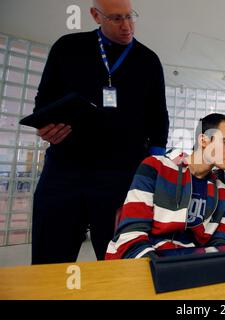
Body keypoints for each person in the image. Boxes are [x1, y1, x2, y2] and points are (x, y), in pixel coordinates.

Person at [32, 0, 169, 264]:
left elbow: (158, 118)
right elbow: (44, 101)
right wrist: (46, 126)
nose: (127, 26)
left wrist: (154, 168)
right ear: (96, 15)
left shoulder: (148, 61)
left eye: (130, 16)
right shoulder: (67, 48)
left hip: (123, 175)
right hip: (65, 170)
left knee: (122, 260)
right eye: (116, 19)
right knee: (50, 257)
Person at [105, 113, 225, 259]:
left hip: (192, 264)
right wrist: (163, 268)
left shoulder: (223, 192)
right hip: (145, 261)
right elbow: (132, 234)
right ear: (203, 140)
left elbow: (220, 242)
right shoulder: (155, 167)